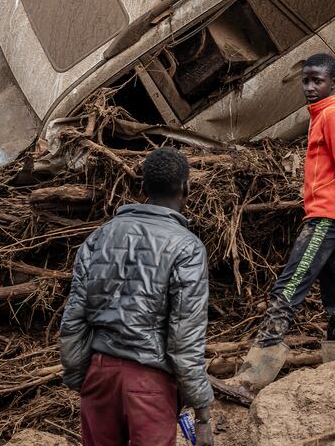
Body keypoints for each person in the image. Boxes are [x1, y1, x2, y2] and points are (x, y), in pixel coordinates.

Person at [230, 53, 335, 392]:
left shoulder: (333, 116)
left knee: (288, 288)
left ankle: (253, 378)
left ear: (334, 83)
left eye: (317, 81)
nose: (309, 87)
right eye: (305, 80)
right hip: (334, 216)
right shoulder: (325, 115)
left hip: (327, 217)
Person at [60, 147, 214, 446]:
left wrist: (82, 378)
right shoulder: (187, 247)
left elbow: (74, 318)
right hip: (150, 383)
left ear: (142, 187)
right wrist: (203, 412)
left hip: (99, 375)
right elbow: (185, 337)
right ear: (186, 187)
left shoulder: (100, 237)